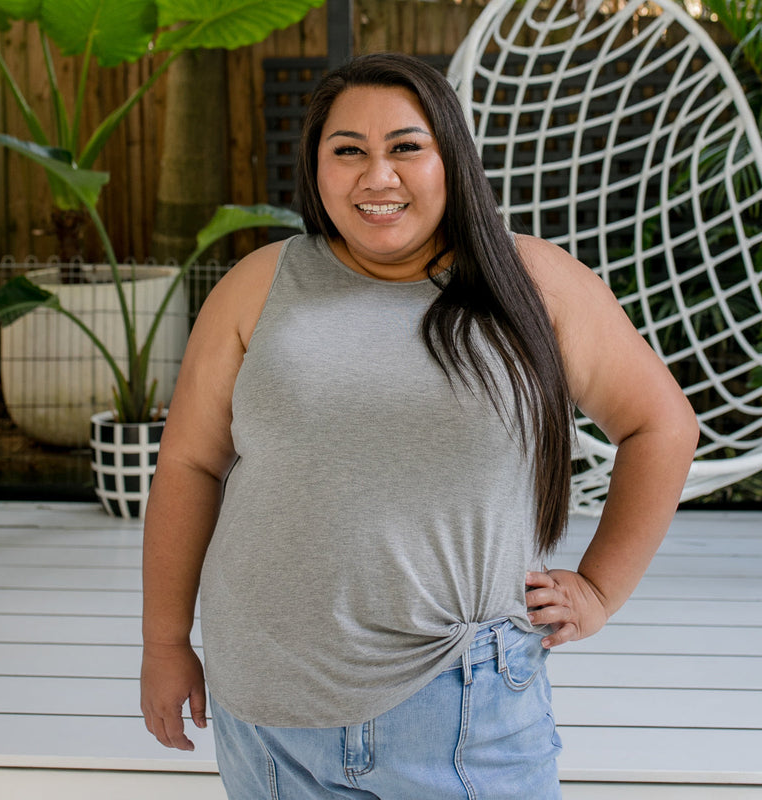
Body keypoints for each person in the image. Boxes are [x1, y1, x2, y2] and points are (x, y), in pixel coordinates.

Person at [140, 52, 699, 799]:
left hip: (464, 708)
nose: (377, 177)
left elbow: (662, 425)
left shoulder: (533, 283)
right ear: (316, 168)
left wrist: (599, 588)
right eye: (348, 152)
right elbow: (188, 466)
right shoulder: (257, 285)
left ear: (451, 160)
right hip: (268, 708)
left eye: (406, 147)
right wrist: (165, 641)